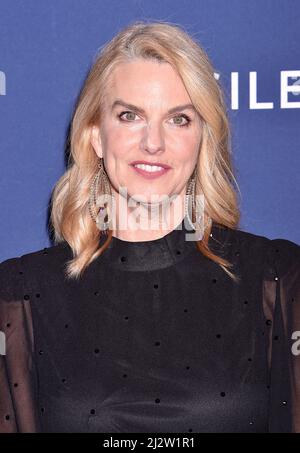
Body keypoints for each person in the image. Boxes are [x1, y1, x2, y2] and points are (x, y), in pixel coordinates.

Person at [0, 20, 299, 433]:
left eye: (179, 119)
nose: (153, 143)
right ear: (95, 137)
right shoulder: (20, 294)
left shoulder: (277, 278)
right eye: (130, 116)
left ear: (202, 139)